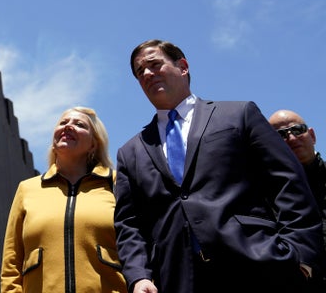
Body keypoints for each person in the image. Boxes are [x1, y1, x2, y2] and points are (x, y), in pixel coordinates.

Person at [114, 39, 324, 293]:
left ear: (183, 66)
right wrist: (138, 276)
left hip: (259, 268)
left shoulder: (238, 115)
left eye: (154, 64)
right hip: (176, 279)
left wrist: (300, 256)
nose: (147, 73)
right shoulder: (130, 152)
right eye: (140, 72)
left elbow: (288, 182)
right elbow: (129, 224)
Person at [1, 106, 127, 293]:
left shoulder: (117, 184)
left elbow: (138, 249)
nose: (68, 126)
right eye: (63, 123)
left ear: (94, 144)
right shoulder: (27, 189)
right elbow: (11, 262)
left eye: (79, 125)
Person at [268, 109, 326, 290]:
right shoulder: (264, 197)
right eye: (281, 135)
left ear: (312, 136)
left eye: (297, 130)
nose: (292, 138)